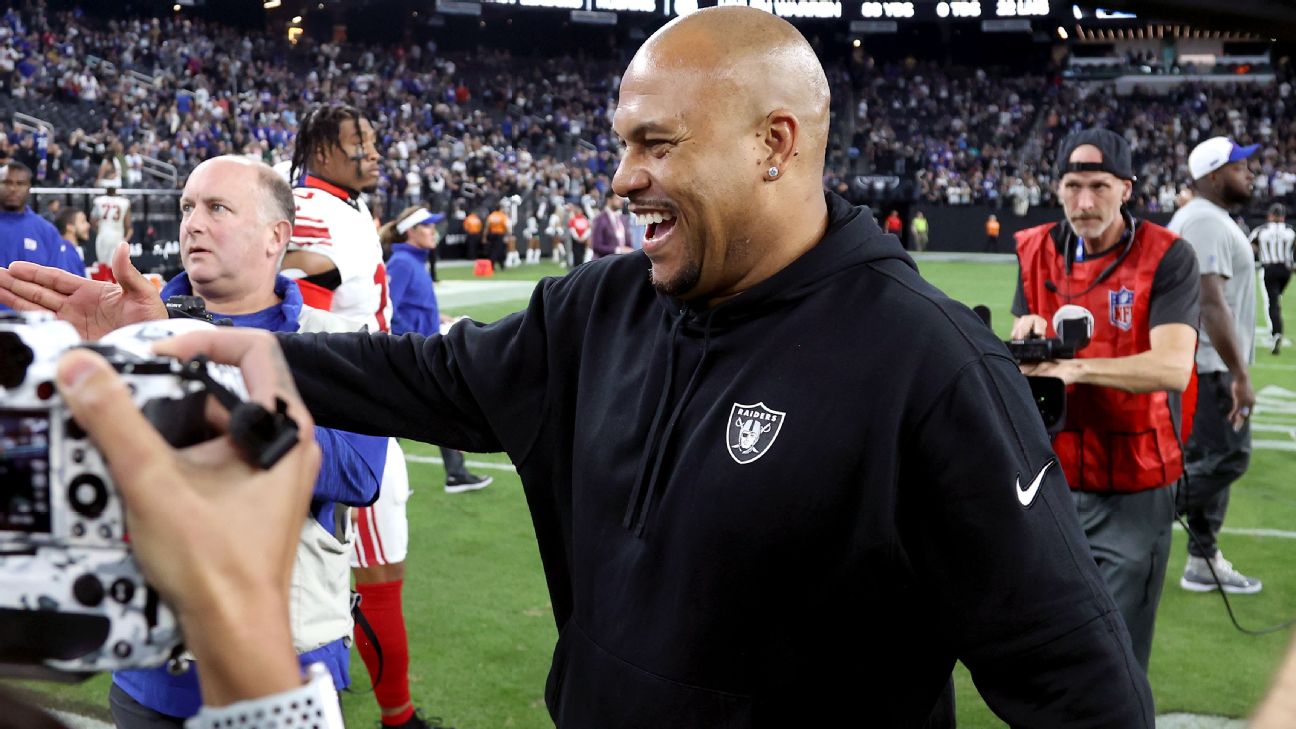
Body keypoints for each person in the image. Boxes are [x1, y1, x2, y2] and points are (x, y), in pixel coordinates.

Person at [1, 8, 1156, 726]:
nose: (621, 178)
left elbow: (1078, 689)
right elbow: (433, 381)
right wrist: (224, 343)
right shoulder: (602, 307)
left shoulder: (932, 368)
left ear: (776, 143)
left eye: (657, 144)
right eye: (619, 144)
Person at [0, 155, 384, 726]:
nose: (192, 223)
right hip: (147, 669)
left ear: (276, 235)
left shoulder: (340, 340)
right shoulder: (128, 330)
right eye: (186, 207)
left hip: (285, 657)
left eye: (216, 208)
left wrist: (191, 374)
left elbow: (358, 472)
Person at [1010, 127, 1201, 672]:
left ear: (1126, 188)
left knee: (1116, 656)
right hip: (1054, 476)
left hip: (1135, 484)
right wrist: (1025, 337)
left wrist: (1074, 369)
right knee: (1051, 645)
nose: (1084, 202)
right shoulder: (1036, 249)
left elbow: (1173, 367)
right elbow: (1032, 344)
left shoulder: (1169, 256)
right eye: (1072, 185)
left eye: (1099, 185)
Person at [280, 105, 444, 729]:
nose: (374, 152)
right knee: (369, 580)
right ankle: (396, 719)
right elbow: (297, 289)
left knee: (363, 579)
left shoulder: (338, 204)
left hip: (356, 408)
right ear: (323, 151)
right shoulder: (315, 208)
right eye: (360, 142)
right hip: (345, 417)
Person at [1167, 136, 1262, 595]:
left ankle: (1202, 559)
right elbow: (1210, 300)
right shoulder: (1203, 221)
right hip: (1209, 366)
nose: (1250, 172)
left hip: (1210, 364)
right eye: (1239, 166)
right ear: (1211, 175)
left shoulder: (1208, 218)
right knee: (1229, 456)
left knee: (1209, 458)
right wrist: (1239, 374)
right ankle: (1139, 515)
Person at [381, 204, 494, 495]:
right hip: (413, 354)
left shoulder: (413, 261)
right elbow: (390, 309)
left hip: (423, 351)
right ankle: (383, 478)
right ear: (411, 232)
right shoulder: (404, 263)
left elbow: (412, 305)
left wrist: (440, 319)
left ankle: (454, 473)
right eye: (428, 227)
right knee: (398, 418)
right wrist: (415, 342)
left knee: (432, 412)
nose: (434, 232)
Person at [0, 162, 85, 293]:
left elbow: (58, 283)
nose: (13, 188)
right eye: (7, 182)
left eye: (20, 183)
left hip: (33, 312)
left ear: (29, 187)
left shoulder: (47, 231)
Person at [1251, 202, 1294, 354]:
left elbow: (1251, 249)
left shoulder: (1261, 230)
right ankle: (1276, 330)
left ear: (1270, 215)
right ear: (1283, 217)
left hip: (1270, 269)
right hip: (1286, 271)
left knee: (1273, 302)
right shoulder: (1290, 230)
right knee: (1277, 297)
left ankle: (1276, 332)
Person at [91, 177, 131, 267]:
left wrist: (99, 231)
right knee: (116, 266)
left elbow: (92, 221)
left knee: (103, 265)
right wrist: (125, 239)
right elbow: (128, 225)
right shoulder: (124, 202)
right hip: (117, 235)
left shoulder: (99, 201)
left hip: (103, 234)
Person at [590, 194, 631, 260]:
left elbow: (627, 241)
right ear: (609, 200)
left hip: (620, 262)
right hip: (603, 262)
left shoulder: (623, 218)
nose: (621, 201)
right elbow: (596, 246)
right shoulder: (599, 219)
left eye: (622, 199)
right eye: (617, 198)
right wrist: (618, 250)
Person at [485, 202, 510, 270]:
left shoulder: (491, 216)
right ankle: (500, 265)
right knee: (500, 250)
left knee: (492, 250)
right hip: (500, 235)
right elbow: (507, 227)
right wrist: (507, 236)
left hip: (492, 235)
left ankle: (493, 265)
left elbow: (487, 227)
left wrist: (484, 237)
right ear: (500, 208)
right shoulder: (503, 216)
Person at [566, 202, 590, 267]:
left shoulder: (584, 218)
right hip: (576, 240)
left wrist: (583, 237)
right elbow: (572, 229)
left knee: (582, 253)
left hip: (583, 239)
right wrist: (577, 237)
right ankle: (575, 266)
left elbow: (588, 228)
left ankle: (581, 265)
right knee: (576, 253)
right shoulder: (573, 219)